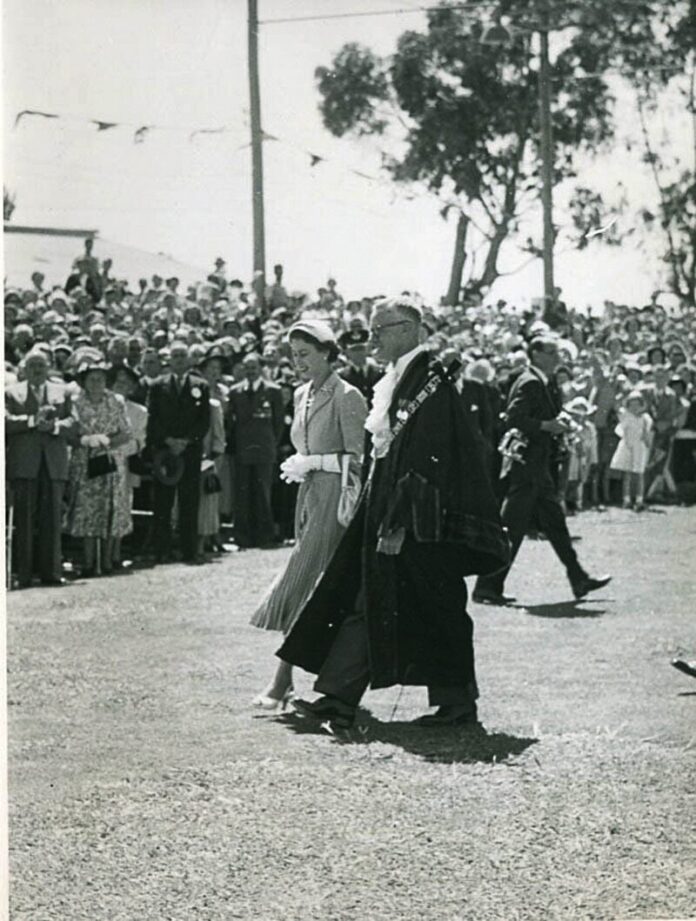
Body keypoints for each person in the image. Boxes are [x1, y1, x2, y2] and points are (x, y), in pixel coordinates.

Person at [278, 298, 509, 729]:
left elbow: (428, 458)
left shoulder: (430, 384)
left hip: (423, 521)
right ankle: (338, 697)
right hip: (393, 512)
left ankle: (456, 703)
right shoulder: (404, 380)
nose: (372, 340)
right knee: (371, 598)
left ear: (407, 330)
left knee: (437, 606)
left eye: (379, 330)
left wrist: (402, 521)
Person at [250, 320, 367, 709]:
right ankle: (315, 680)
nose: (296, 362)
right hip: (309, 494)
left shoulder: (347, 395)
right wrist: (304, 463)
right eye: (293, 355)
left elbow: (357, 460)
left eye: (304, 354)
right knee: (316, 584)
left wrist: (315, 461)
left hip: (335, 500)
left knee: (304, 579)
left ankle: (281, 680)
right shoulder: (301, 394)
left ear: (326, 353)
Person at [473, 337, 611, 606]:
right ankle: (487, 586)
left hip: (536, 469)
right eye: (552, 352)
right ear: (536, 355)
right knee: (511, 530)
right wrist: (548, 426)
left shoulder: (540, 382)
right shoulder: (531, 382)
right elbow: (514, 418)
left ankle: (578, 577)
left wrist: (558, 422)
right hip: (528, 470)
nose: (558, 357)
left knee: (556, 526)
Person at [5, 349, 74, 588]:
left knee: (52, 519)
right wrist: (33, 421)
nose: (37, 370)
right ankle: (22, 574)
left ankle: (51, 572)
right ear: (23, 369)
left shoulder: (62, 392)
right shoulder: (11, 393)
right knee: (23, 519)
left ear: (49, 368)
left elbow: (74, 424)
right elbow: (4, 422)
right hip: (24, 463)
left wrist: (54, 427)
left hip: (53, 464)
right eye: (32, 365)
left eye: (41, 365)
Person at [64, 354, 133, 576]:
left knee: (111, 508)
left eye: (100, 379)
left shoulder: (116, 401)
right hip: (85, 462)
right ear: (84, 381)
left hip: (111, 460)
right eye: (92, 379)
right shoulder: (75, 402)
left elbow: (127, 433)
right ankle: (88, 562)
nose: (97, 383)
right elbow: (69, 433)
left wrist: (108, 441)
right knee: (87, 510)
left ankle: (109, 559)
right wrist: (85, 440)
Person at [146, 340, 211, 563]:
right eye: (175, 355)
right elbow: (153, 419)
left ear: (190, 359)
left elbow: (204, 422)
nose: (180, 359)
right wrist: (167, 440)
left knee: (189, 502)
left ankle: (188, 550)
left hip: (190, 451)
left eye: (183, 355)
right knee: (163, 503)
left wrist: (186, 441)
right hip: (165, 451)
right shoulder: (157, 385)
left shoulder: (201, 386)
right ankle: (162, 550)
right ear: (169, 360)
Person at [228, 352, 284, 548]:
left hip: (264, 449)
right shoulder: (235, 392)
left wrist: (270, 443)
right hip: (242, 449)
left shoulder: (273, 391)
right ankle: (243, 537)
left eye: (254, 367)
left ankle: (264, 536)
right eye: (247, 367)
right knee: (242, 495)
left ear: (261, 369)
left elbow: (278, 424)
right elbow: (231, 423)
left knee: (263, 494)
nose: (250, 371)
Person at [610, 390, 653, 510]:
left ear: (642, 405)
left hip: (639, 447)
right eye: (631, 404)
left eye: (637, 404)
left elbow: (646, 434)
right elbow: (617, 407)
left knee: (639, 474)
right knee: (627, 474)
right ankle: (626, 499)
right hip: (627, 446)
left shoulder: (645, 418)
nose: (634, 407)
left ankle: (639, 500)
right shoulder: (626, 416)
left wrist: (646, 441)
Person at [337, 328, 383, 405]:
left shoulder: (380, 372)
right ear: (347, 352)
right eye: (354, 350)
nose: (358, 353)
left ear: (367, 349)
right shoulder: (342, 377)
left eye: (361, 348)